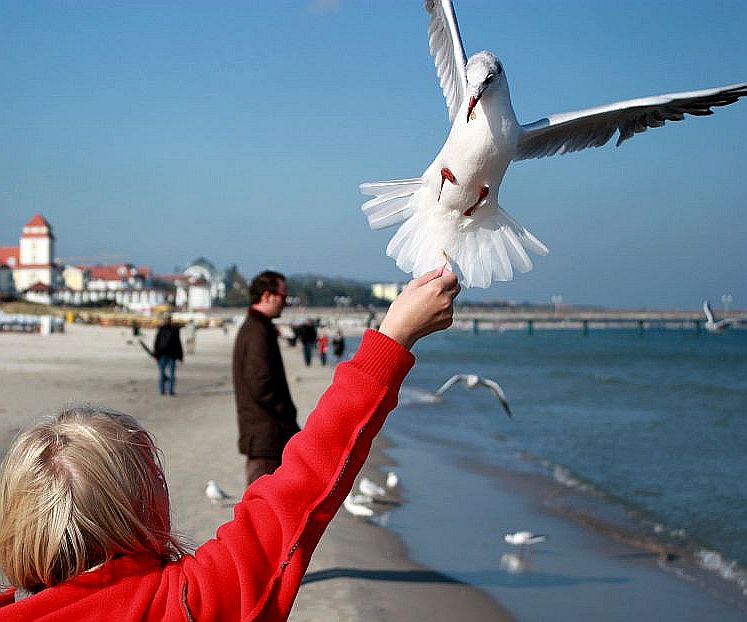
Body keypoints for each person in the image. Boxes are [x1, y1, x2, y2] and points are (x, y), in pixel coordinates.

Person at [0, 267, 458, 621]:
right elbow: (299, 494)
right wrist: (393, 339)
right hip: (265, 430)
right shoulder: (187, 603)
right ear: (139, 508)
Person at [233, 271, 298, 485]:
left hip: (266, 433)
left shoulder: (259, 327)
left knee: (266, 503)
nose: (285, 303)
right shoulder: (256, 331)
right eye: (283, 297)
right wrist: (286, 413)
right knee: (261, 506)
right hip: (266, 434)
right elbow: (259, 383)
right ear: (267, 296)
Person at [153, 314, 183, 396]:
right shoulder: (175, 330)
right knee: (172, 373)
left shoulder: (160, 329)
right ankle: (170, 391)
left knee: (162, 373)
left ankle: (162, 390)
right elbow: (178, 344)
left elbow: (156, 342)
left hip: (162, 354)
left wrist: (155, 354)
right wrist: (180, 356)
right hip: (172, 354)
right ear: (171, 320)